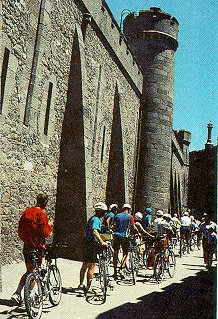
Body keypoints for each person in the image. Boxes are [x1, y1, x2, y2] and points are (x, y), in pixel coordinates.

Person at [11, 193, 53, 304]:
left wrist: (27, 239)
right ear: (45, 202)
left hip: (27, 245)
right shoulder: (42, 214)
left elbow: (20, 229)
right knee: (36, 271)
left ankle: (18, 292)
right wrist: (49, 225)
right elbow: (45, 232)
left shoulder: (27, 212)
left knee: (29, 270)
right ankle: (29, 295)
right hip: (38, 246)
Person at [78, 202, 108, 291]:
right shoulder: (96, 220)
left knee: (84, 264)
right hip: (91, 244)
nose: (104, 213)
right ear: (100, 212)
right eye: (104, 211)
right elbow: (94, 231)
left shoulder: (92, 218)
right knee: (91, 266)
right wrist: (102, 241)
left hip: (86, 242)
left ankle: (81, 284)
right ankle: (88, 287)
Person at [112, 204, 135, 279]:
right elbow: (132, 226)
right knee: (125, 253)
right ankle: (121, 268)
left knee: (115, 253)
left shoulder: (117, 216)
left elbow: (114, 226)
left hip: (116, 235)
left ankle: (115, 272)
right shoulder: (130, 216)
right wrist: (134, 233)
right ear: (129, 210)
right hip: (125, 236)